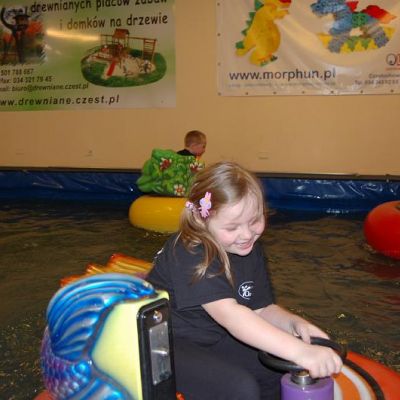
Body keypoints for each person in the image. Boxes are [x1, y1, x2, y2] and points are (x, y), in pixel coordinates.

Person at [147, 161, 343, 400]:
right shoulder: (190, 250)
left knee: (274, 370)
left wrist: (294, 324)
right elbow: (231, 316)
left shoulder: (248, 248)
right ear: (200, 219)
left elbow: (261, 308)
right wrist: (300, 351)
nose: (247, 234)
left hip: (212, 336)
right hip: (167, 344)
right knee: (240, 389)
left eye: (255, 220)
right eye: (232, 228)